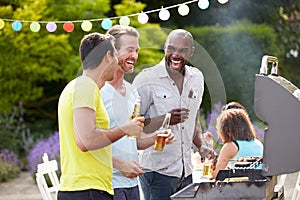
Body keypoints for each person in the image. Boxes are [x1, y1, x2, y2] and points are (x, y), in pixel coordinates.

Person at [57, 32, 144, 200]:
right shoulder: (85, 86)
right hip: (87, 190)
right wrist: (125, 129)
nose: (118, 61)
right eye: (116, 55)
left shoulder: (80, 87)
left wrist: (118, 163)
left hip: (86, 189)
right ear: (107, 56)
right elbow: (86, 140)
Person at [101, 25, 174, 200]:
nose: (134, 56)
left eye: (137, 50)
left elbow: (136, 141)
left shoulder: (133, 91)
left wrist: (156, 137)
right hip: (107, 185)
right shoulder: (98, 90)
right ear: (112, 51)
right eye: (129, 50)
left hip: (132, 185)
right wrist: (118, 164)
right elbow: (87, 142)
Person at [132, 29, 205, 200]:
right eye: (171, 49)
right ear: (164, 48)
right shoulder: (146, 79)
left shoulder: (197, 78)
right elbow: (132, 126)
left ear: (191, 52)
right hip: (157, 173)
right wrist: (165, 119)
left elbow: (193, 119)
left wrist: (202, 146)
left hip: (185, 171)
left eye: (183, 50)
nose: (176, 55)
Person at [209, 107, 263, 180]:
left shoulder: (231, 146)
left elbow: (216, 175)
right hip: (259, 186)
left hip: (238, 188)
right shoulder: (258, 144)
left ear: (227, 130)